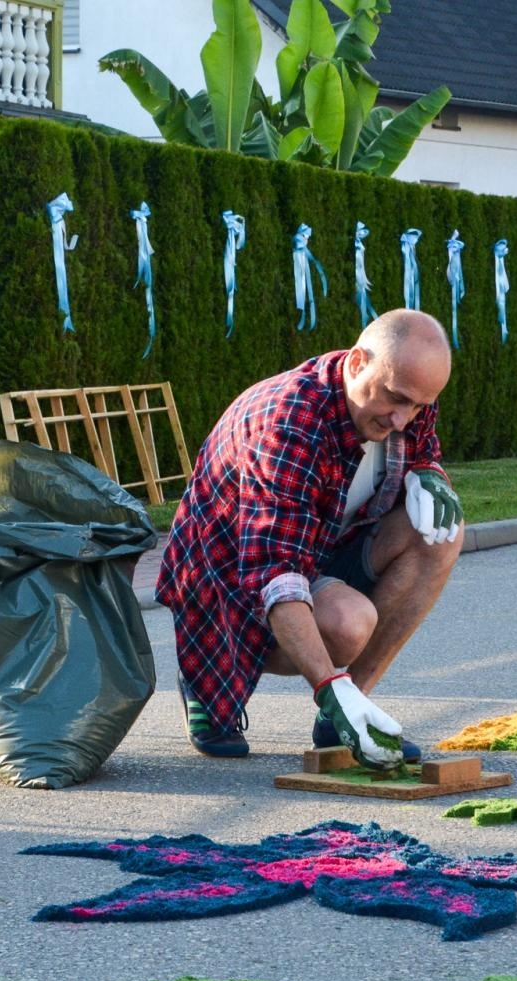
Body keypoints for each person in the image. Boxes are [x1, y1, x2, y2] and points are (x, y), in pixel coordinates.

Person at [155, 309, 462, 769]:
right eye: (397, 399)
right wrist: (326, 686)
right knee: (347, 624)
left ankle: (349, 713)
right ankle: (210, 681)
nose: (404, 419)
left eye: (419, 406)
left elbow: (420, 442)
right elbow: (275, 573)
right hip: (229, 576)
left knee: (441, 532)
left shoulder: (405, 394)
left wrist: (430, 472)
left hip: (319, 545)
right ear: (358, 363)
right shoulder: (288, 425)